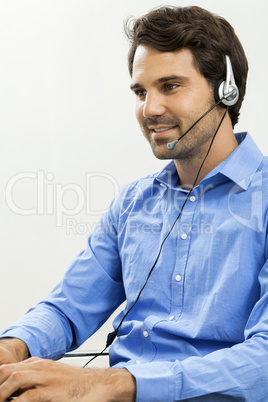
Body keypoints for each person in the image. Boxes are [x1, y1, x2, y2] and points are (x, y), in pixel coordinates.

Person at [0, 5, 268, 401]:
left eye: (170, 86)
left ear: (225, 90)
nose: (150, 109)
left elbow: (263, 361)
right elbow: (68, 306)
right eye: (141, 92)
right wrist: (13, 347)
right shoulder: (133, 203)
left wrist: (117, 384)